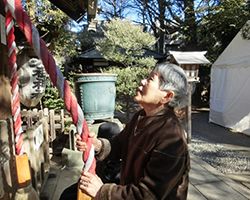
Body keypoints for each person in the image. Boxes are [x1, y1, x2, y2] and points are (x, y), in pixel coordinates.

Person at [77, 63, 190, 199]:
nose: (142, 81)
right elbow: (119, 144)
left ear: (167, 96)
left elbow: (149, 195)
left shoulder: (171, 138)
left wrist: (102, 191)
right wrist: (97, 145)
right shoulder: (141, 116)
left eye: (150, 80)